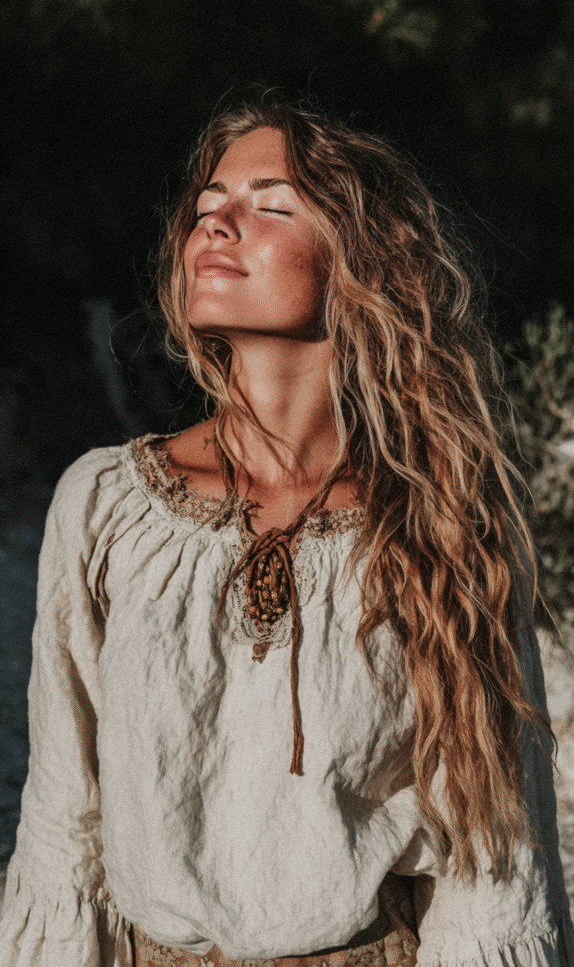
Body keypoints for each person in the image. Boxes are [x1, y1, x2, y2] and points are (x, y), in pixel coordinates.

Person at [0, 99, 573, 967]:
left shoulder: (443, 520)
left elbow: (492, 851)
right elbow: (61, 819)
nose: (216, 223)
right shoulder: (108, 506)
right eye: (205, 207)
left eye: (269, 204)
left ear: (363, 263)